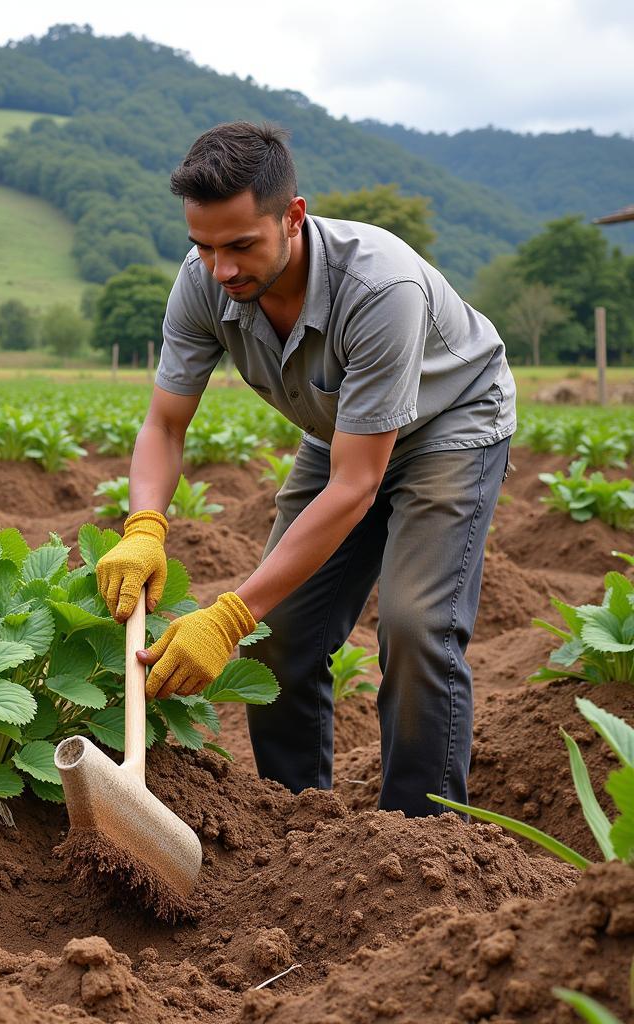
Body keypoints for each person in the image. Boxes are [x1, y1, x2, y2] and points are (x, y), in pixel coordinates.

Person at [94, 121, 516, 817]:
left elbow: (357, 486)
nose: (221, 268)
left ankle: (422, 839)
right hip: (343, 430)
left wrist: (228, 616)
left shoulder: (380, 288)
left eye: (240, 245)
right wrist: (144, 525)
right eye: (203, 246)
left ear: (293, 216)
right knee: (280, 628)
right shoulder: (203, 284)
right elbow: (164, 424)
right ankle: (299, 826)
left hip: (450, 425)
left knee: (414, 628)